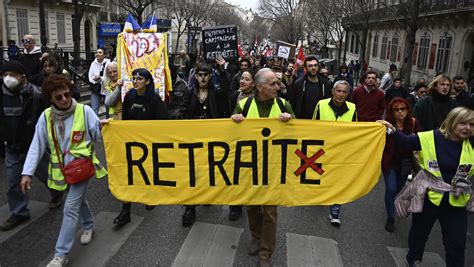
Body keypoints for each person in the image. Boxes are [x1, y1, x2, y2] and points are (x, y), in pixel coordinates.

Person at [20, 74, 108, 267]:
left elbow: (98, 136)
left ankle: (61, 254)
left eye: (67, 94)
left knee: (70, 208)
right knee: (77, 201)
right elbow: (37, 145)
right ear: (50, 99)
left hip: (82, 168)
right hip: (62, 171)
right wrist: (27, 172)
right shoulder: (46, 117)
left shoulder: (84, 111)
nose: (64, 99)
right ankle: (89, 225)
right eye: (58, 97)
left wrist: (102, 128)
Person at [378, 107, 473, 267]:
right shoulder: (432, 137)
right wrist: (391, 130)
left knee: (456, 243)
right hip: (429, 196)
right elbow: (407, 142)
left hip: (456, 200)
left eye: (472, 125)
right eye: (463, 123)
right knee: (419, 233)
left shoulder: (471, 143)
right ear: (452, 121)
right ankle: (413, 257)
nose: (468, 128)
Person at [231, 68, 294, 267]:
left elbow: (298, 135)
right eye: (273, 84)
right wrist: (235, 121)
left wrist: (290, 121)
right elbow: (230, 135)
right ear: (259, 87)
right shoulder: (243, 105)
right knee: (252, 207)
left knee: (270, 211)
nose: (278, 87)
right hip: (250, 167)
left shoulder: (284, 105)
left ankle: (265, 252)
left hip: (275, 168)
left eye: (278, 83)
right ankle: (256, 237)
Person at [0, 61, 63, 231]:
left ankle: (56, 192)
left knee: (46, 174)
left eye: (12, 74)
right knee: (14, 181)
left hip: (35, 146)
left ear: (22, 77)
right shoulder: (2, 95)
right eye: (4, 75)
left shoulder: (36, 95)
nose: (8, 78)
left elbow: (49, 117)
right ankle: (19, 212)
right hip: (12, 147)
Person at [112, 68, 168, 226]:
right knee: (129, 175)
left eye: (139, 79)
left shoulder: (155, 100)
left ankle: (149, 197)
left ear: (148, 81)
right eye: (133, 78)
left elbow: (163, 122)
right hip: (132, 142)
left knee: (148, 172)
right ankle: (125, 211)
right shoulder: (129, 96)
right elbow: (126, 120)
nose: (135, 81)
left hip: (149, 145)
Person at [179, 58, 229, 227]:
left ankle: (207, 194)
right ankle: (189, 208)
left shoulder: (216, 92)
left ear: (210, 76)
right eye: (199, 75)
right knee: (192, 173)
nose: (202, 78)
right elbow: (183, 111)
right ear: (196, 76)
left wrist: (222, 71)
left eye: (205, 75)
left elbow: (226, 91)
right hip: (193, 139)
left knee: (209, 170)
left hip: (212, 139)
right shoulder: (190, 92)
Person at [312, 80, 357, 226]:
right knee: (323, 176)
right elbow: (312, 126)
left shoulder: (352, 108)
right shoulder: (321, 105)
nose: (341, 94)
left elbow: (355, 131)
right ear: (333, 92)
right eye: (338, 91)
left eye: (344, 92)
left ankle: (335, 210)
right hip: (322, 150)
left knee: (338, 181)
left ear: (348, 94)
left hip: (341, 152)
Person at [381, 97, 419, 233]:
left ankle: (389, 202)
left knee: (397, 189)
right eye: (396, 109)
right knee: (391, 189)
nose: (400, 112)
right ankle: (390, 218)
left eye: (402, 109)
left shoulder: (413, 123)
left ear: (407, 110)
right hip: (390, 162)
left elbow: (419, 141)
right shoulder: (386, 125)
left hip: (405, 163)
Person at [88, 48, 110, 115]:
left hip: (106, 88)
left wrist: (101, 78)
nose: (97, 54)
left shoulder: (108, 63)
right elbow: (90, 76)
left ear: (104, 55)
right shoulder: (93, 64)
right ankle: (95, 125)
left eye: (100, 52)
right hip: (96, 88)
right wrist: (94, 79)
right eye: (96, 52)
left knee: (108, 108)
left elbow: (109, 77)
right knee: (94, 109)